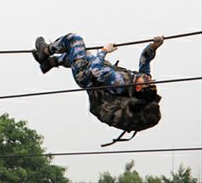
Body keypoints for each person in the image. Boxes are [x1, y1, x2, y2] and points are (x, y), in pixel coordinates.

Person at [32, 33, 164, 136]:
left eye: (148, 82)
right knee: (81, 54)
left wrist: (105, 50)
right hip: (92, 73)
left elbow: (96, 68)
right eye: (152, 82)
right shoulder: (141, 78)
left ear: (139, 88)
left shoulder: (120, 83)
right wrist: (154, 46)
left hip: (84, 75)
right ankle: (49, 63)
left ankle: (45, 51)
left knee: (74, 40)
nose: (149, 79)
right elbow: (145, 60)